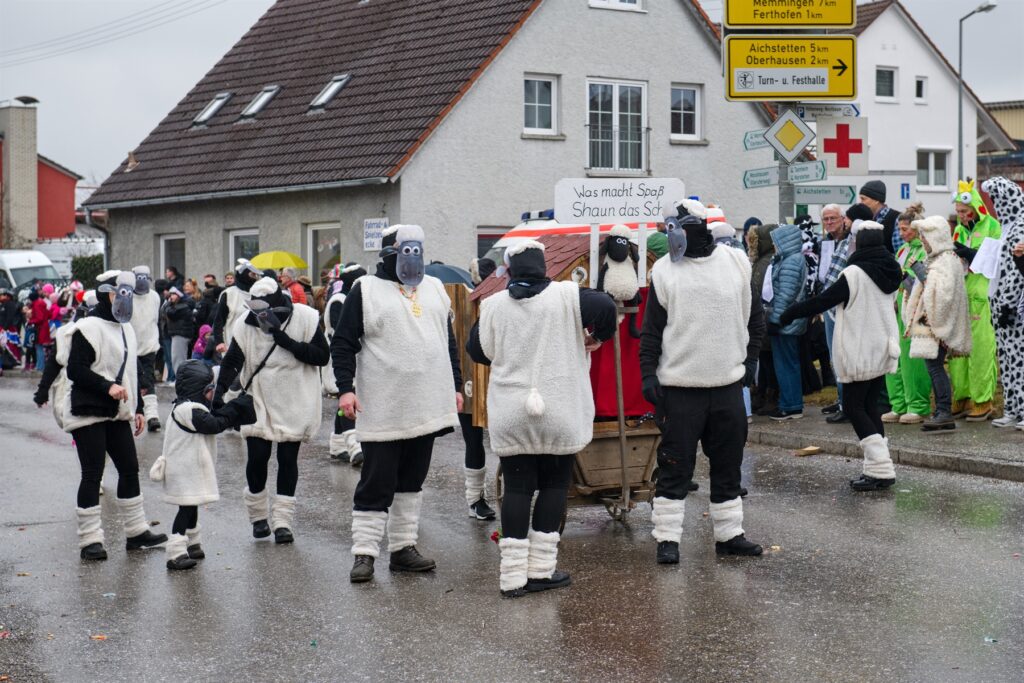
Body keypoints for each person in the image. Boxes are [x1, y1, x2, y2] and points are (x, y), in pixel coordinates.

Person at [467, 240, 617, 596]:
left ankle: (512, 577)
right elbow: (607, 307)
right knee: (553, 486)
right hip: (558, 408)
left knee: (517, 488)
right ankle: (540, 571)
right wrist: (595, 337)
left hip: (512, 410)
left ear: (510, 269)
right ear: (543, 265)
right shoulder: (569, 296)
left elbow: (478, 350)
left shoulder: (493, 306)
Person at [332, 225, 462, 583]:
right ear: (391, 252)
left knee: (412, 480)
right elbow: (343, 343)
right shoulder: (365, 289)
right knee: (377, 481)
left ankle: (403, 549)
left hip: (426, 404)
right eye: (406, 251)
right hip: (384, 406)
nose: (413, 259)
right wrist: (345, 389)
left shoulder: (435, 288)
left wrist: (454, 384)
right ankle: (364, 553)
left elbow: (447, 341)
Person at [642, 199, 766, 564]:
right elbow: (652, 331)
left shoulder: (735, 261)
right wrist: (648, 373)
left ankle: (729, 534)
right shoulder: (664, 270)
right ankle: (667, 538)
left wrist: (751, 359)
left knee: (728, 462)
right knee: (675, 465)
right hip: (680, 386)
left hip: (727, 383)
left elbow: (754, 316)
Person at [780, 222, 903, 491]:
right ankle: (876, 469)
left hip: (859, 349)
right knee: (870, 407)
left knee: (853, 407)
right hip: (881, 346)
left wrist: (790, 313)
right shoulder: (891, 269)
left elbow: (823, 301)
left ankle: (882, 470)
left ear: (861, 243)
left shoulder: (855, 273)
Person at [63, 271, 168, 560]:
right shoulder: (86, 327)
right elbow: (75, 370)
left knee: (129, 468)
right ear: (106, 294)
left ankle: (136, 533)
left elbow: (130, 372)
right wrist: (106, 386)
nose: (126, 299)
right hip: (89, 411)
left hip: (118, 411)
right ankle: (90, 541)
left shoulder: (126, 329)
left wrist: (138, 408)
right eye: (119, 293)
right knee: (92, 473)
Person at [216, 277, 329, 544]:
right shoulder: (245, 324)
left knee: (288, 459)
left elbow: (322, 356)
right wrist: (218, 393)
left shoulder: (305, 318)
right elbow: (233, 360)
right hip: (259, 397)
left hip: (294, 398)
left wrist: (288, 342)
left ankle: (283, 522)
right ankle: (258, 517)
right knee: (258, 456)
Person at [149, 360, 256, 570]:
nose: (212, 393)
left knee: (192, 505)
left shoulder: (184, 407)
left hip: (188, 470)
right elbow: (214, 425)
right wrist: (235, 408)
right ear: (199, 390)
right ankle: (175, 552)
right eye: (209, 389)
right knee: (186, 510)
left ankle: (193, 544)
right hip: (184, 471)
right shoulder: (190, 410)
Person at [904, 216, 973, 432]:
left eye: (925, 236)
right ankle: (940, 412)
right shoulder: (938, 259)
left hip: (936, 323)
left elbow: (943, 292)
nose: (922, 241)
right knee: (931, 366)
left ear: (936, 236)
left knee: (935, 367)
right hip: (929, 321)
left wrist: (919, 271)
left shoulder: (946, 260)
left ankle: (944, 412)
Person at [950, 179, 1001, 421]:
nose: (960, 216)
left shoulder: (992, 226)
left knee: (981, 348)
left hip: (982, 294)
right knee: (958, 351)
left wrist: (972, 254)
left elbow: (997, 260)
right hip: (962, 294)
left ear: (975, 208)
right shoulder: (960, 230)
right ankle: (962, 396)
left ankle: (983, 400)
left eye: (964, 211)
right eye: (958, 211)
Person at [980, 177, 1024, 429]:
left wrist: (1008, 302)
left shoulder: (1021, 225)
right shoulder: (1005, 226)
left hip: (1015, 306)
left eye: (998, 199)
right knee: (1006, 357)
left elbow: (1017, 271)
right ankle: (1012, 408)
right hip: (999, 301)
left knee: (1020, 357)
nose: (996, 205)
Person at [883, 204, 932, 425]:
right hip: (898, 308)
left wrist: (903, 276)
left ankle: (918, 405)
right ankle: (899, 404)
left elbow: (923, 283)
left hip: (917, 310)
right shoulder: (902, 250)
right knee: (897, 357)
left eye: (905, 229)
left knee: (914, 360)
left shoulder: (924, 249)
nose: (901, 234)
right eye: (899, 229)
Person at [324, 263, 367, 465]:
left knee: (346, 399)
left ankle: (337, 445)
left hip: (354, 356)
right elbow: (341, 332)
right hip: (340, 357)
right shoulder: (339, 301)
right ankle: (353, 445)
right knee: (348, 396)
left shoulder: (352, 298)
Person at [766, 224, 808, 420]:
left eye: (776, 241)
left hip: (785, 321)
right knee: (788, 363)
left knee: (785, 365)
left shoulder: (790, 262)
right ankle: (791, 403)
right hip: (790, 320)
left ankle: (791, 406)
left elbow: (785, 294)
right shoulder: (792, 259)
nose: (774, 245)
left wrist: (775, 320)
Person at [819, 204, 853, 423]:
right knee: (834, 356)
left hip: (841, 305)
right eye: (826, 219)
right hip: (827, 303)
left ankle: (846, 404)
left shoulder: (849, 241)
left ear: (843, 219)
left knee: (841, 356)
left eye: (833, 218)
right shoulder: (825, 242)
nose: (829, 222)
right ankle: (841, 400)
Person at [748, 222, 778, 415]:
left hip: (765, 314)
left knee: (769, 360)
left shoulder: (766, 262)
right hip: (762, 315)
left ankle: (771, 396)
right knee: (765, 359)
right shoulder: (763, 261)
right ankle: (763, 394)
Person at [129, 266, 163, 432]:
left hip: (148, 346)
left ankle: (151, 415)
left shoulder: (154, 296)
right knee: (130, 381)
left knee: (148, 381)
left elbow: (155, 319)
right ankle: (131, 413)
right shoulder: (127, 297)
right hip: (130, 347)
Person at [213, 259, 263, 355]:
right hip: (232, 345)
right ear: (244, 274)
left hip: (254, 347)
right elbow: (219, 320)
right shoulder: (229, 294)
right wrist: (219, 341)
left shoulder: (258, 294)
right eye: (252, 274)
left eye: (256, 275)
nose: (255, 278)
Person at [858, 180, 900, 254]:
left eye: (863, 199)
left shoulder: (896, 219)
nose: (860, 203)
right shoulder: (867, 219)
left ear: (876, 200)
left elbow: (900, 254)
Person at [163, 287, 194, 375]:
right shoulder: (182, 305)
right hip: (179, 334)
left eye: (174, 294)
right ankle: (181, 378)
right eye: (171, 294)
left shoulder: (182, 306)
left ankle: (180, 378)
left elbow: (169, 312)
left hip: (180, 334)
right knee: (178, 359)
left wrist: (168, 302)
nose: (171, 297)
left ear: (179, 295)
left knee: (178, 359)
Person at [27, 288, 53, 371]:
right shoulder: (42, 303)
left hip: (39, 329)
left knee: (39, 347)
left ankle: (40, 367)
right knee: (40, 347)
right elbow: (49, 315)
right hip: (44, 327)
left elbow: (39, 318)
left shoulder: (36, 305)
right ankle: (40, 366)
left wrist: (30, 321)